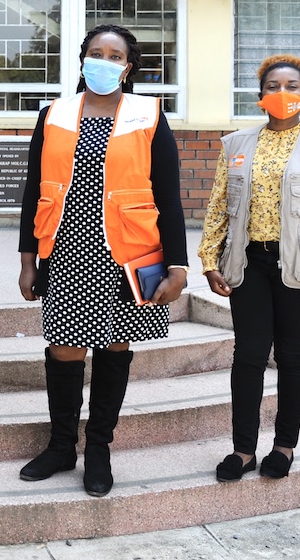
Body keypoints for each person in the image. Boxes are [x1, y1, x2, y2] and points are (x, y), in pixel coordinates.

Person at [17, 24, 188, 497]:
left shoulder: (147, 114)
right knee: (64, 349)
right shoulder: (55, 113)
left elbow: (169, 198)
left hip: (128, 252)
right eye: (96, 53)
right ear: (82, 60)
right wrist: (28, 260)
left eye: (115, 55)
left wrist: (179, 265)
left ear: (128, 67)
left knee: (115, 350)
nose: (104, 61)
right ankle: (60, 446)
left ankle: (99, 447)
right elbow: (34, 192)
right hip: (67, 250)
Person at [198, 54, 300, 483]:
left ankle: (284, 446)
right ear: (260, 96)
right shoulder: (236, 145)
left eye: (291, 86)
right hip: (248, 263)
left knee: (291, 355)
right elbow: (219, 206)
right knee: (247, 356)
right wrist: (210, 261)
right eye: (273, 86)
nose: (281, 93)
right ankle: (243, 449)